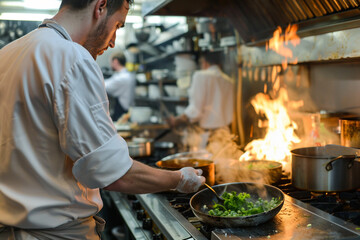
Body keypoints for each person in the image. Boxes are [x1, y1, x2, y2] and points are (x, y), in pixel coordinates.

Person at [0, 0, 205, 239]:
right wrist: (179, 179)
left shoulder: (8, 53)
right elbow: (112, 173)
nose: (113, 42)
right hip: (55, 233)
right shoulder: (71, 57)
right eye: (118, 25)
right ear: (100, 6)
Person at [167, 51, 235, 149]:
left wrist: (177, 120)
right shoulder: (228, 81)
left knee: (207, 163)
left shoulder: (200, 76)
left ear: (204, 62)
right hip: (226, 135)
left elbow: (195, 111)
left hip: (209, 138)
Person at [105, 52, 136, 121]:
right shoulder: (126, 75)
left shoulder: (122, 78)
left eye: (111, 62)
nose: (110, 65)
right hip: (125, 109)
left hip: (123, 112)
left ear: (115, 61)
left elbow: (104, 86)